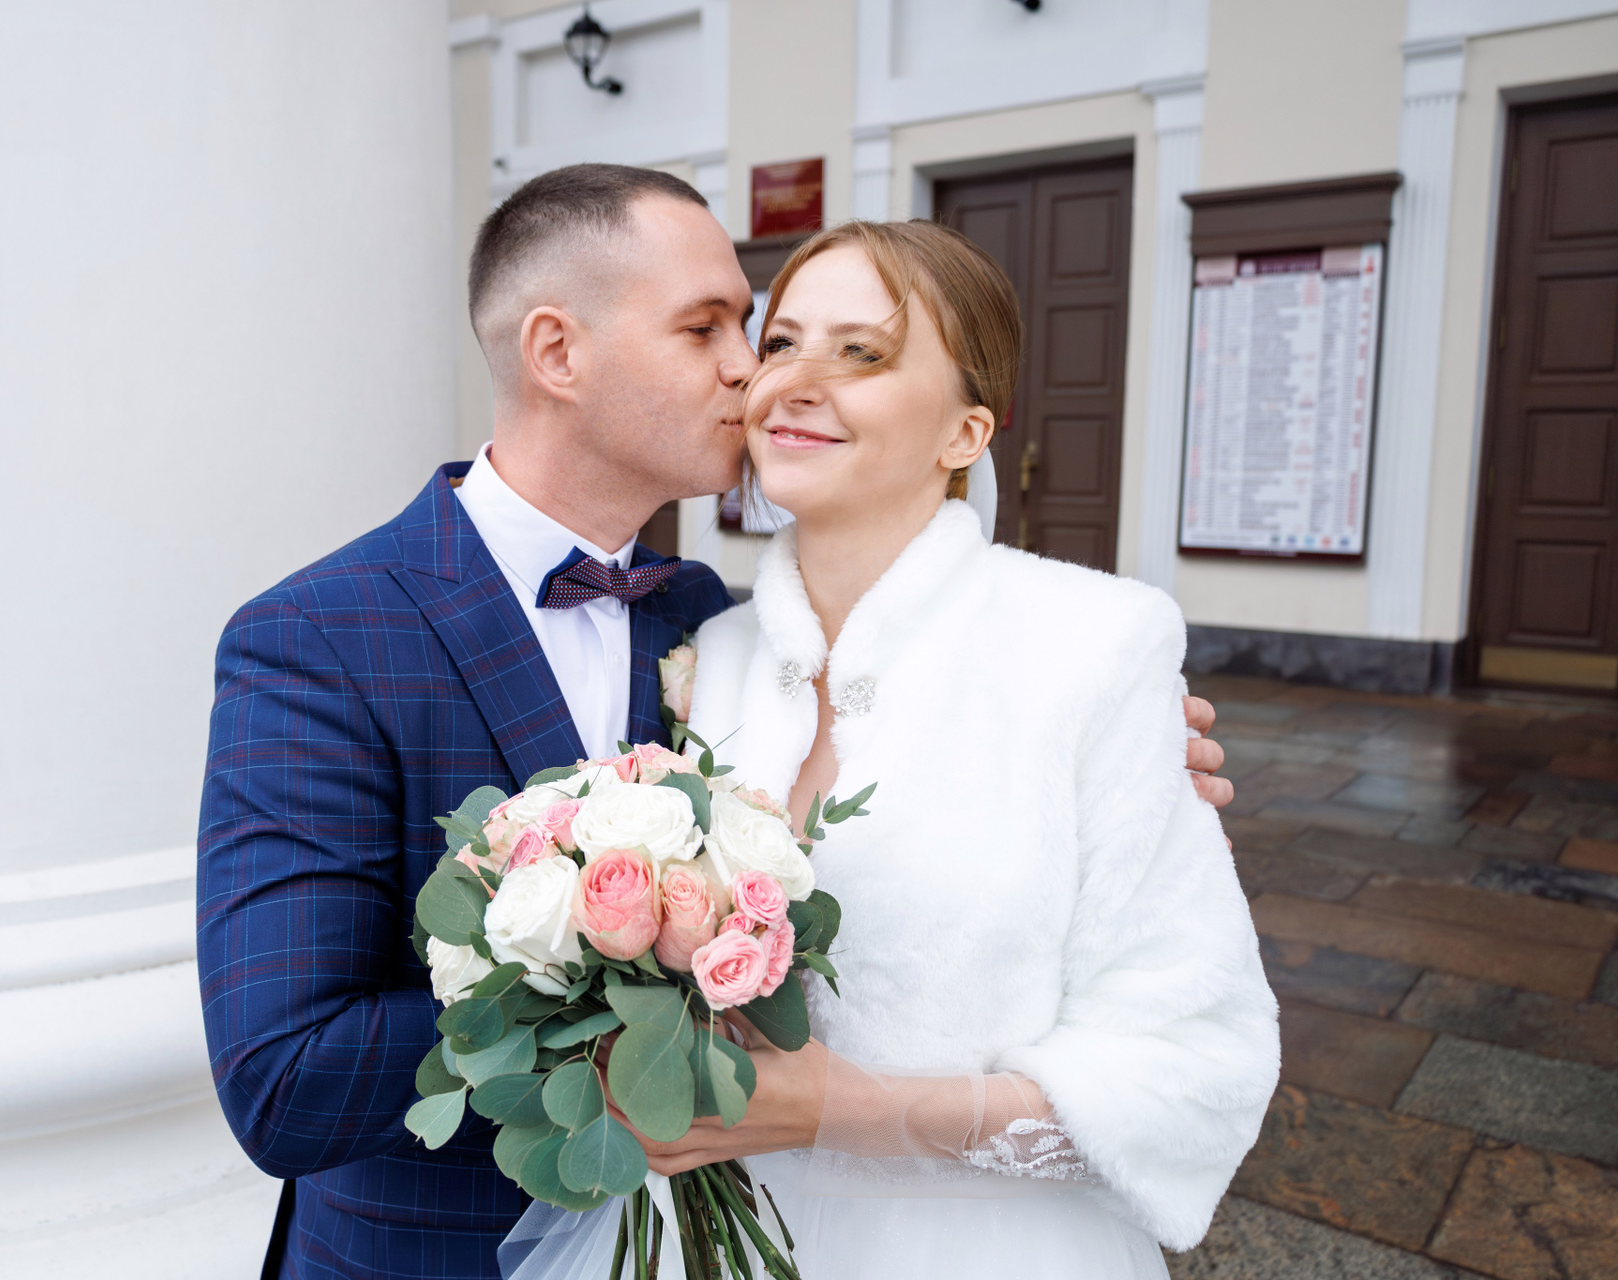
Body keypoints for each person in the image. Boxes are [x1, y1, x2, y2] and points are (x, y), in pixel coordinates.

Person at [197, 166, 1238, 1280]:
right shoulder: (318, 634)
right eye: (713, 328)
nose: (753, 369)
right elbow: (283, 1075)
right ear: (557, 353)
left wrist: (1109, 747)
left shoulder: (706, 625)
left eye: (762, 330)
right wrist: (624, 994)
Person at [602, 220, 1280, 1278]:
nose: (795, 383)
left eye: (862, 353)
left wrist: (843, 1109)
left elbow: (1191, 1068)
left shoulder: (1097, 644)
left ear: (967, 432)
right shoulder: (708, 656)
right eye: (781, 343)